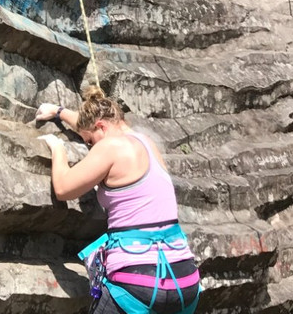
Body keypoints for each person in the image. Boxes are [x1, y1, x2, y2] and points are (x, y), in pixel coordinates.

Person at [35, 86, 201, 314]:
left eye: (90, 142)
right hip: (184, 279)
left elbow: (63, 188)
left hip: (138, 280)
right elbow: (88, 124)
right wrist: (59, 111)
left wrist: (57, 148)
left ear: (101, 128)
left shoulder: (110, 147)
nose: (91, 147)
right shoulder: (146, 142)